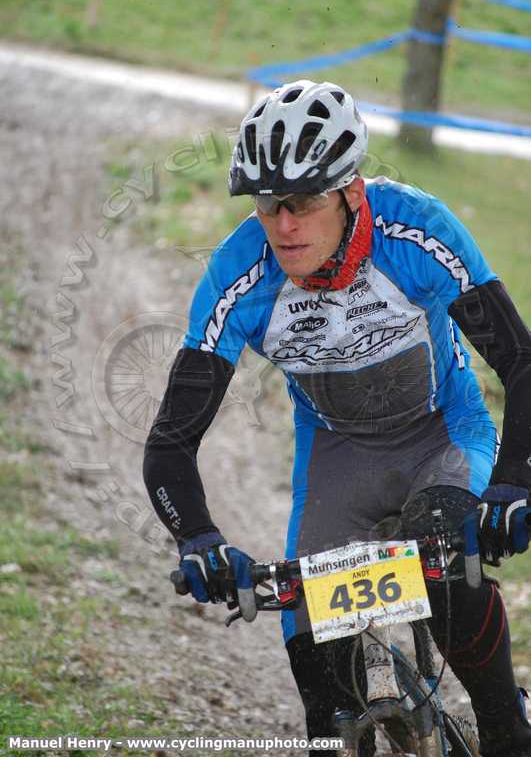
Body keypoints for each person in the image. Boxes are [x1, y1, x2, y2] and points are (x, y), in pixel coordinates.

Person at [143, 80, 531, 756]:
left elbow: (519, 363)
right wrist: (197, 536)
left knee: (447, 557)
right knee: (318, 678)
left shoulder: (417, 231)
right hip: (336, 458)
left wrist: (512, 483)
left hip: (442, 434)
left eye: (301, 201)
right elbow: (171, 440)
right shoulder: (240, 275)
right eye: (267, 203)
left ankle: (506, 728)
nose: (283, 225)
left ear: (351, 192)